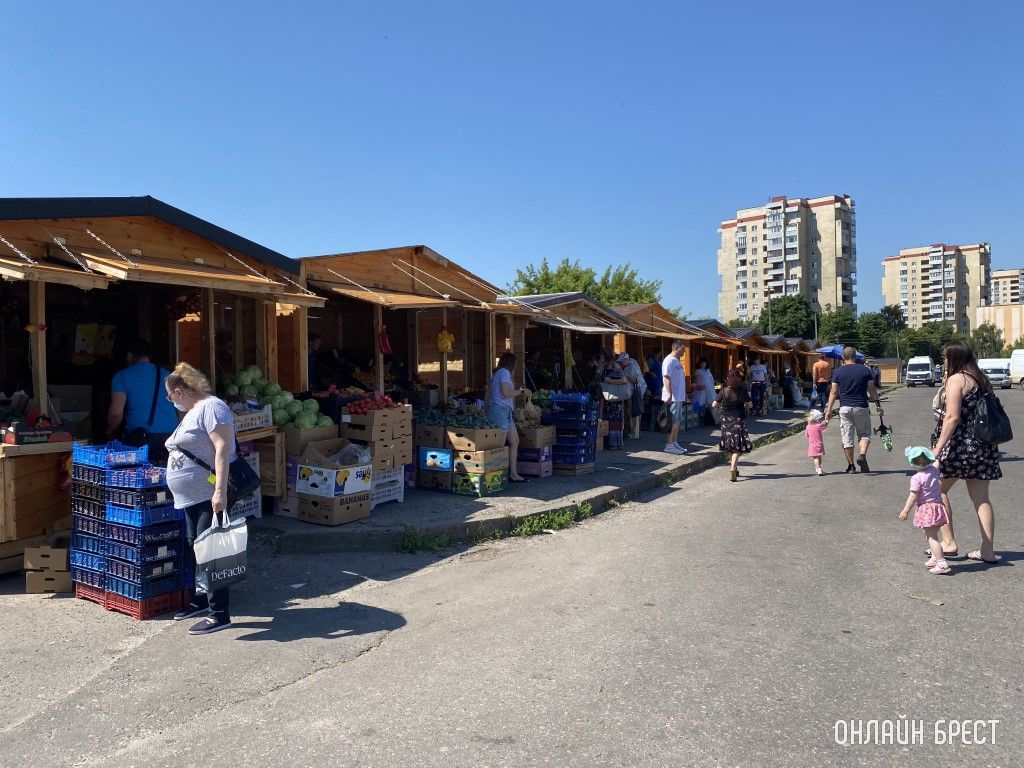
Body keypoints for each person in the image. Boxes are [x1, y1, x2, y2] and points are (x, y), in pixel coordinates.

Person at [163, 363, 237, 635]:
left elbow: (222, 447)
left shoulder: (213, 407)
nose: (170, 401)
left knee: (211, 551)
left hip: (209, 494)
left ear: (180, 391)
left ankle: (220, 614)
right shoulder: (196, 410)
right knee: (197, 548)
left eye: (170, 396)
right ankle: (202, 600)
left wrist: (220, 491)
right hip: (192, 497)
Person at [929, 341, 1002, 563]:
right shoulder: (980, 379)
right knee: (981, 498)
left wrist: (938, 448)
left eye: (945, 358)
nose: (943, 361)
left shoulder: (957, 379)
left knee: (937, 490)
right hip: (984, 446)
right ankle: (987, 550)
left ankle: (949, 543)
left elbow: (952, 417)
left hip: (960, 447)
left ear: (954, 358)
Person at [106, 339, 179, 465]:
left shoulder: (122, 376)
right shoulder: (170, 376)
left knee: (139, 479)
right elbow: (181, 410)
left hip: (139, 441)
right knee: (167, 478)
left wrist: (109, 430)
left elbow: (116, 414)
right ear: (149, 355)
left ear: (129, 355)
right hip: (171, 437)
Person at [824, 346, 883, 474]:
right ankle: (862, 455)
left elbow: (834, 392)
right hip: (861, 407)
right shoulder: (865, 370)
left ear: (842, 358)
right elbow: (872, 389)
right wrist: (878, 405)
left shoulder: (838, 372)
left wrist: (828, 410)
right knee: (864, 434)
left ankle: (851, 466)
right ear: (855, 357)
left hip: (845, 408)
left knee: (847, 438)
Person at [898, 446, 952, 575]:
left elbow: (913, 496)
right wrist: (934, 452)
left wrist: (905, 510)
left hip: (927, 509)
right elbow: (937, 461)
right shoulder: (934, 470)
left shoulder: (917, 478)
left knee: (932, 538)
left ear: (912, 463)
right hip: (938, 507)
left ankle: (941, 563)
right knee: (931, 533)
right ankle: (935, 558)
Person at [486, 352, 529, 483]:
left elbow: (488, 394)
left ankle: (513, 474)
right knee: (499, 444)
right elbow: (505, 393)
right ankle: (498, 475)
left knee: (514, 440)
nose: (516, 366)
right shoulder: (504, 372)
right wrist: (522, 392)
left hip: (504, 411)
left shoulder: (497, 373)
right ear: (511, 363)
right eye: (515, 363)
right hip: (500, 411)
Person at [712, 367, 752, 482]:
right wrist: (745, 405)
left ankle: (734, 467)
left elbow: (714, 404)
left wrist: (721, 405)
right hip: (738, 419)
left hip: (725, 420)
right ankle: (733, 468)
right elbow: (750, 405)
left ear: (728, 379)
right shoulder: (742, 390)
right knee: (737, 447)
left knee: (729, 445)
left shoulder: (723, 390)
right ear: (738, 379)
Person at [660, 340, 688, 455]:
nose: (684, 352)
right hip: (673, 397)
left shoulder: (676, 361)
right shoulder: (669, 360)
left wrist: (684, 394)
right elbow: (666, 378)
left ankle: (674, 442)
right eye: (682, 350)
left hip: (679, 396)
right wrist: (669, 393)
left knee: (678, 421)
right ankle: (669, 444)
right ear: (676, 348)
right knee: (673, 421)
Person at [616, 352, 645, 439]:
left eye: (621, 362)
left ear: (625, 360)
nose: (620, 363)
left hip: (636, 392)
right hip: (630, 392)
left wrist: (626, 376)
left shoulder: (632, 366)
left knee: (634, 412)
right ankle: (633, 432)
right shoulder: (628, 365)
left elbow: (636, 380)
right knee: (631, 411)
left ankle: (635, 433)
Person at [691, 357, 716, 426]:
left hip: (710, 389)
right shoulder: (698, 371)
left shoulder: (708, 370)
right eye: (701, 362)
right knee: (699, 403)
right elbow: (697, 381)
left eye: (704, 362)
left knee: (712, 404)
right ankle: (696, 420)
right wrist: (699, 386)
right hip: (701, 390)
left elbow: (711, 380)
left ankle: (714, 420)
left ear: (706, 363)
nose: (702, 364)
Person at [804, 409, 828, 476]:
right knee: (819, 457)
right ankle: (819, 467)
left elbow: (806, 435)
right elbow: (825, 425)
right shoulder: (818, 426)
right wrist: (827, 420)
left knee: (815, 458)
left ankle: (818, 468)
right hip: (819, 444)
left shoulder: (808, 427)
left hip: (812, 445)